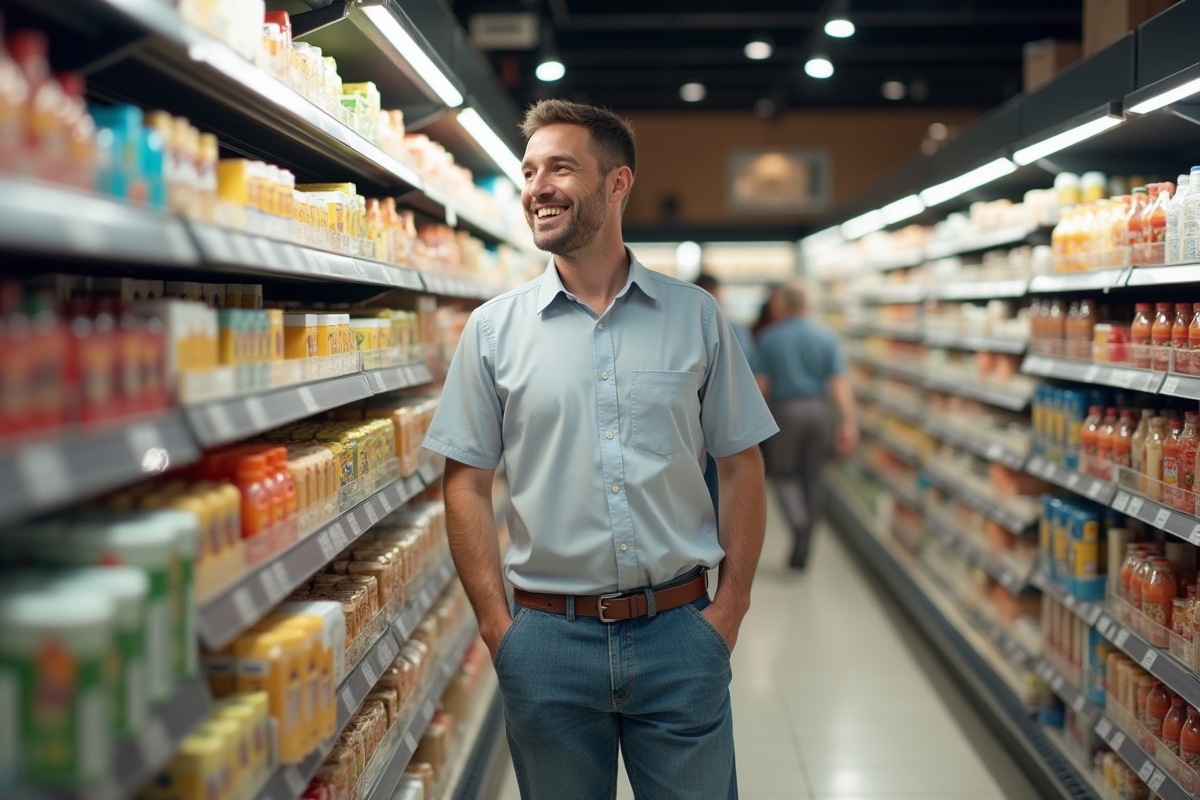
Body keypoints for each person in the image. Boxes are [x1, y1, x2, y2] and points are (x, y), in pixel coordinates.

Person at [423, 99, 777, 800]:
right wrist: (501, 630)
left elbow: (741, 463)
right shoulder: (492, 332)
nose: (536, 187)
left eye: (560, 167)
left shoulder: (695, 316)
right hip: (547, 641)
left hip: (680, 634)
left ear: (618, 185)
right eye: (529, 172)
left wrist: (729, 607)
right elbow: (465, 482)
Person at [755, 279, 858, 570]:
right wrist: (848, 422)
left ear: (782, 305)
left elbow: (761, 383)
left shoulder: (770, 337)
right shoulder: (826, 337)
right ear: (807, 305)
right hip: (819, 410)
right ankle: (810, 529)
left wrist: (751, 424)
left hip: (785, 412)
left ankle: (798, 522)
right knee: (813, 475)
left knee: (784, 475)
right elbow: (839, 383)